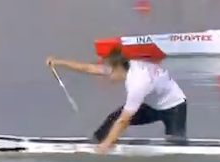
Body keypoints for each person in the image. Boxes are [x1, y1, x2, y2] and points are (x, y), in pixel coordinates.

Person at [45, 47, 187, 153]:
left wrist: (106, 146)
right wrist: (58, 62)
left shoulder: (138, 83)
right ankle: (96, 141)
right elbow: (89, 68)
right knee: (112, 119)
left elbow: (124, 120)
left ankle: (102, 144)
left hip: (174, 106)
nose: (107, 74)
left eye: (109, 70)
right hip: (152, 104)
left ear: (118, 67)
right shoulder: (125, 66)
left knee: (176, 148)